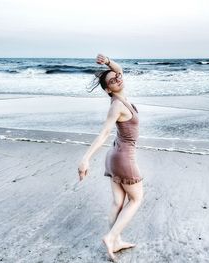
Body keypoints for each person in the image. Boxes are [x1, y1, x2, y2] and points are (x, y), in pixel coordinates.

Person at [78, 54, 144, 261]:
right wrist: (86, 158)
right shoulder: (116, 105)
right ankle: (111, 236)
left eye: (118, 77)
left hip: (115, 156)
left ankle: (116, 242)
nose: (117, 79)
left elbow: (119, 69)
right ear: (108, 90)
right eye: (112, 81)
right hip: (123, 158)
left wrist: (107, 62)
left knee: (118, 202)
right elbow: (105, 133)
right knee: (136, 199)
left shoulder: (122, 97)